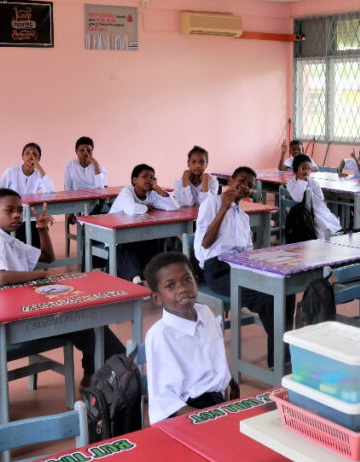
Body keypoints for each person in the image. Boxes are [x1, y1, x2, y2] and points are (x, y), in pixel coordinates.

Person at [0, 188, 125, 388]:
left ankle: (102, 375)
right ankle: (122, 373)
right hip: (7, 325)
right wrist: (40, 275)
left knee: (88, 319)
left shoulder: (8, 240)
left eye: (19, 210)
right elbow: (0, 277)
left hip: (21, 313)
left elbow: (47, 257)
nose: (17, 215)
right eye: (9, 211)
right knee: (86, 322)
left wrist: (42, 230)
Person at [196, 166, 294, 367]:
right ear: (230, 181)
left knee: (286, 290)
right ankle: (280, 361)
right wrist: (223, 207)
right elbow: (205, 243)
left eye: (249, 185)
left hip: (241, 267)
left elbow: (248, 251)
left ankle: (282, 349)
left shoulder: (243, 216)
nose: (244, 187)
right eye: (241, 181)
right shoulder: (211, 204)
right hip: (218, 270)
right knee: (268, 297)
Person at [143, 251, 238, 424]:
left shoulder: (205, 312)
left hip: (217, 402)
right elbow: (166, 402)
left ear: (196, 280)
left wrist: (230, 380)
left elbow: (216, 356)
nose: (183, 289)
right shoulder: (160, 336)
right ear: (157, 298)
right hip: (187, 412)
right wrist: (207, 419)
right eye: (171, 286)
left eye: (187, 280)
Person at [107, 164, 179, 282]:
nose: (149, 180)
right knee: (124, 247)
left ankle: (150, 276)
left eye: (151, 177)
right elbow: (132, 209)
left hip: (137, 234)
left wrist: (157, 189)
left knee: (154, 241)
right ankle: (136, 279)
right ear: (134, 180)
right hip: (115, 234)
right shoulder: (127, 192)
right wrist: (146, 207)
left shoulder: (152, 194)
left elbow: (173, 206)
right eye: (145, 176)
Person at [0, 142, 55, 247]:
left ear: (39, 158)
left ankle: (32, 258)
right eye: (27, 153)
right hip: (14, 213)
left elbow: (50, 191)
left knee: (38, 231)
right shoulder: (11, 172)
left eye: (34, 154)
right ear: (22, 156)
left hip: (31, 214)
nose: (30, 157)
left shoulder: (38, 174)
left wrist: (39, 167)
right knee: (21, 234)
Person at [286, 154, 342, 239]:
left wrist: (312, 198)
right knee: (318, 223)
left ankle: (328, 236)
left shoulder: (314, 182)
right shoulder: (291, 183)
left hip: (316, 208)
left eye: (309, 169)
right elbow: (298, 198)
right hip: (299, 215)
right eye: (303, 169)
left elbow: (320, 198)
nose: (306, 171)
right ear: (295, 169)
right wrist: (301, 181)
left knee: (325, 220)